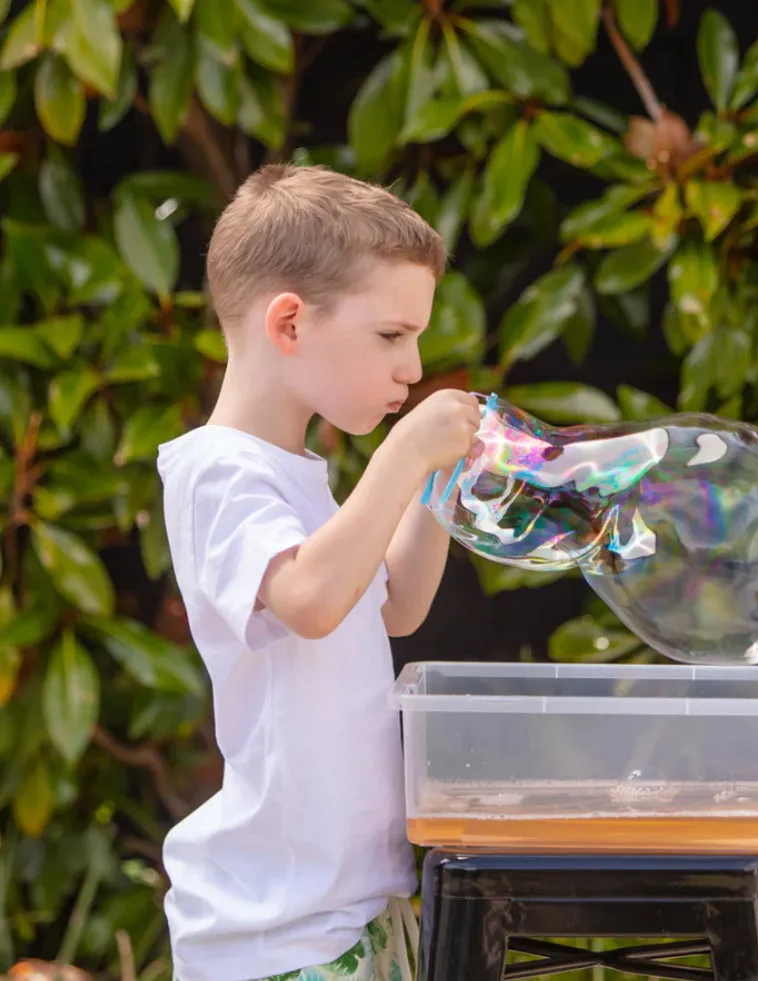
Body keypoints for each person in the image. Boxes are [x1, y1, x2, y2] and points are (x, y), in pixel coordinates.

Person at [156, 163, 481, 981]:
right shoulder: (218, 471)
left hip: (350, 904)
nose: (413, 367)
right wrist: (404, 451)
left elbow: (394, 605)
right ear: (290, 323)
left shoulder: (301, 475)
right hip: (277, 928)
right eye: (391, 336)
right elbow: (310, 599)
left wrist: (435, 486)